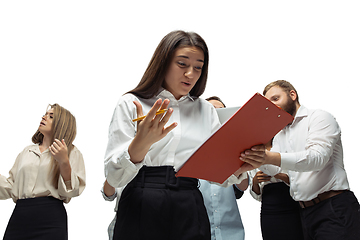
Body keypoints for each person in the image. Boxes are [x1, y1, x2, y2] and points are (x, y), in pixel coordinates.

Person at [104, 30, 265, 240]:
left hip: (189, 201)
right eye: (182, 64)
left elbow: (217, 170)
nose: (191, 73)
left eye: (198, 67)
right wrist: (139, 146)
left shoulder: (205, 110)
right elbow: (113, 176)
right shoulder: (131, 103)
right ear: (163, 62)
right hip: (142, 199)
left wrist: (240, 167)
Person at [241, 80, 360, 239]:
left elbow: (317, 158)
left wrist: (268, 157)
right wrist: (256, 159)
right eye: (268, 103)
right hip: (304, 213)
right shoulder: (280, 134)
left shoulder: (319, 117)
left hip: (333, 208)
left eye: (275, 99)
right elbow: (276, 168)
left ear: (292, 95)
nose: (272, 106)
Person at [0, 103, 86, 240]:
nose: (44, 117)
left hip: (50, 218)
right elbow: (11, 186)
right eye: (45, 114)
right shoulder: (27, 151)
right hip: (20, 216)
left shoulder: (72, 152)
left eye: (51, 116)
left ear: (61, 123)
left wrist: (63, 162)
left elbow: (72, 191)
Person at [199, 96, 246, 240]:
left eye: (220, 110)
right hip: (198, 231)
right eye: (211, 110)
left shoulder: (235, 148)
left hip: (230, 232)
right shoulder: (188, 148)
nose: (216, 113)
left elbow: (243, 186)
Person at [248, 140, 304, 240]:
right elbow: (257, 195)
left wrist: (276, 175)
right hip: (269, 208)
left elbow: (298, 180)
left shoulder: (285, 146)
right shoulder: (254, 153)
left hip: (290, 202)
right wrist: (255, 181)